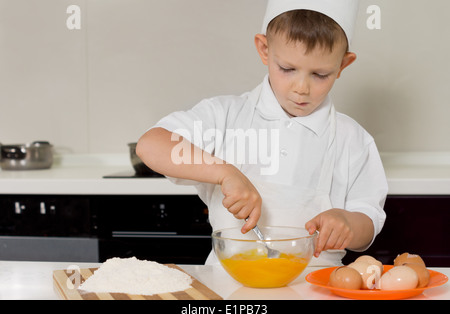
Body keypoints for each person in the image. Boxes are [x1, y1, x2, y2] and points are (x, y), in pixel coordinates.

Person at [136, 0, 388, 266]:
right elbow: (150, 145)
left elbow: (368, 221)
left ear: (342, 66)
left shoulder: (353, 139)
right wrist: (225, 173)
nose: (301, 87)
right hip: (230, 288)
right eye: (288, 69)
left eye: (320, 74)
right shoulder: (226, 116)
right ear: (264, 49)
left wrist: (348, 223)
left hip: (317, 287)